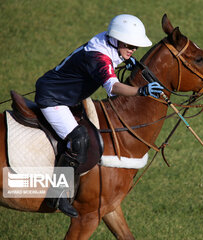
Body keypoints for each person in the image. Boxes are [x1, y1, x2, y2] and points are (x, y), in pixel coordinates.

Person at [35, 14, 164, 218]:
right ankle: (57, 195)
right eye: (129, 45)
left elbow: (112, 60)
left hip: (66, 97)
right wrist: (141, 91)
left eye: (135, 47)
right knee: (78, 139)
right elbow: (113, 87)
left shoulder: (106, 41)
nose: (133, 50)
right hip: (53, 99)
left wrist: (125, 60)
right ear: (117, 39)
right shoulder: (98, 57)